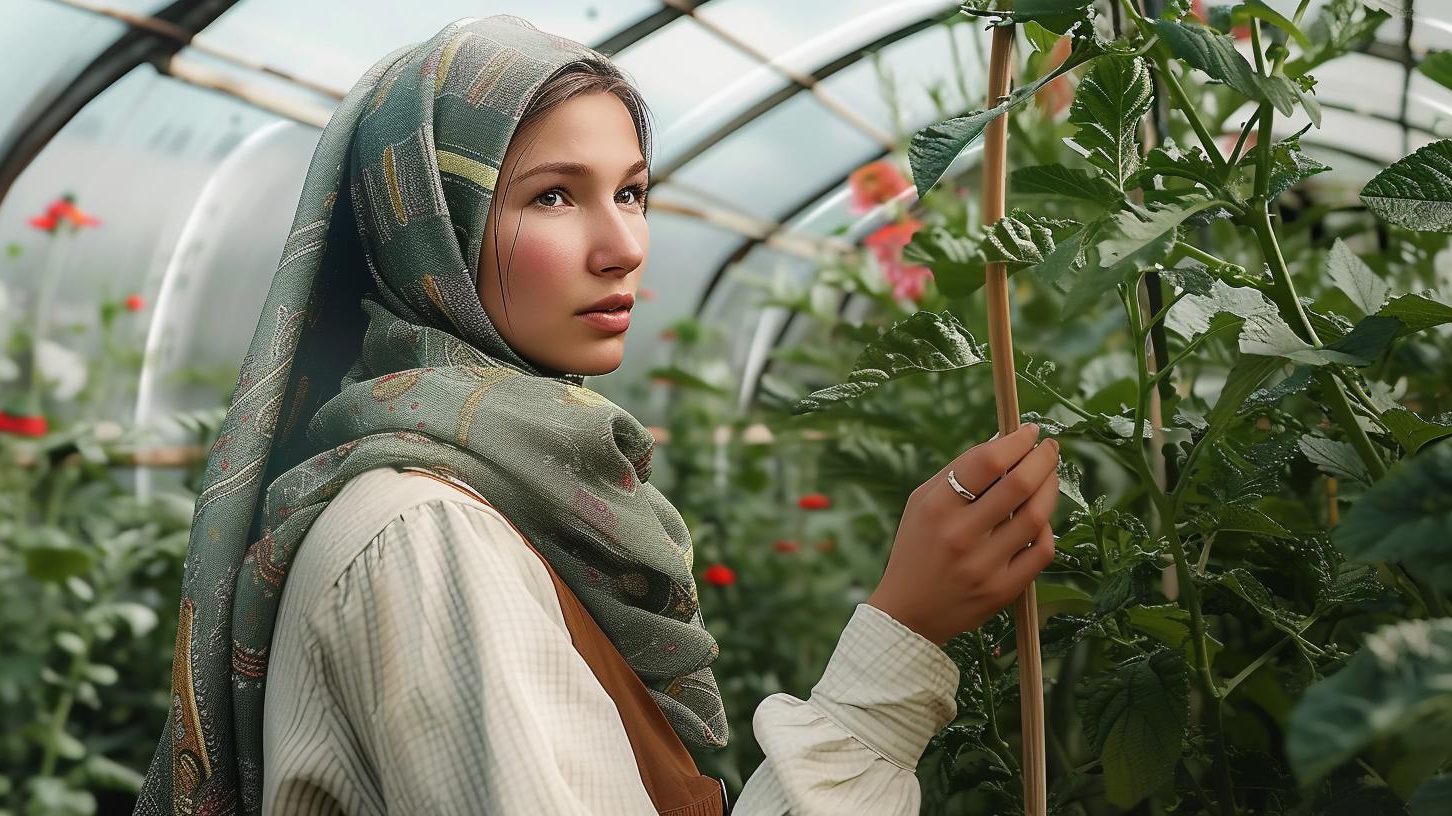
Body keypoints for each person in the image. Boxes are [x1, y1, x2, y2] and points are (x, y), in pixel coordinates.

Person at [131, 14, 1059, 816]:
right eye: (553, 196)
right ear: (430, 229)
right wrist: (897, 641)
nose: (623, 247)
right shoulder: (428, 536)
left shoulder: (481, 492)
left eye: (631, 193)